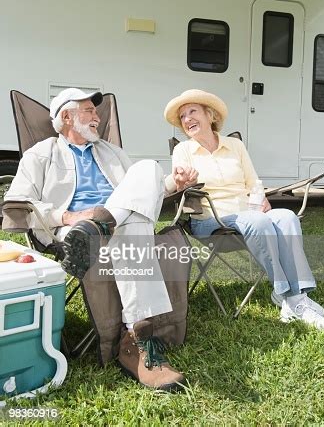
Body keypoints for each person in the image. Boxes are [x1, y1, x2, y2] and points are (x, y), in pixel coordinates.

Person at [5, 87, 198, 391]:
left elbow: (143, 189)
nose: (97, 117)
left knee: (147, 168)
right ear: (66, 117)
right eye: (89, 111)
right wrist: (68, 217)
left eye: (95, 111)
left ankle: (103, 225)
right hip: (72, 231)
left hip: (110, 226)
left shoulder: (112, 152)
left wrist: (175, 182)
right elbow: (17, 202)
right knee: (134, 227)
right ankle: (139, 342)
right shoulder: (41, 154)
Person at [164, 89, 324, 331]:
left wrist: (260, 198)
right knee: (259, 222)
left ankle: (294, 296)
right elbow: (179, 183)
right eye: (183, 117)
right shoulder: (184, 151)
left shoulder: (235, 145)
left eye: (193, 112)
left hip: (249, 213)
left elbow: (253, 182)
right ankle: (288, 295)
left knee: (286, 217)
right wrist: (183, 182)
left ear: (209, 115)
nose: (187, 119)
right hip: (212, 221)